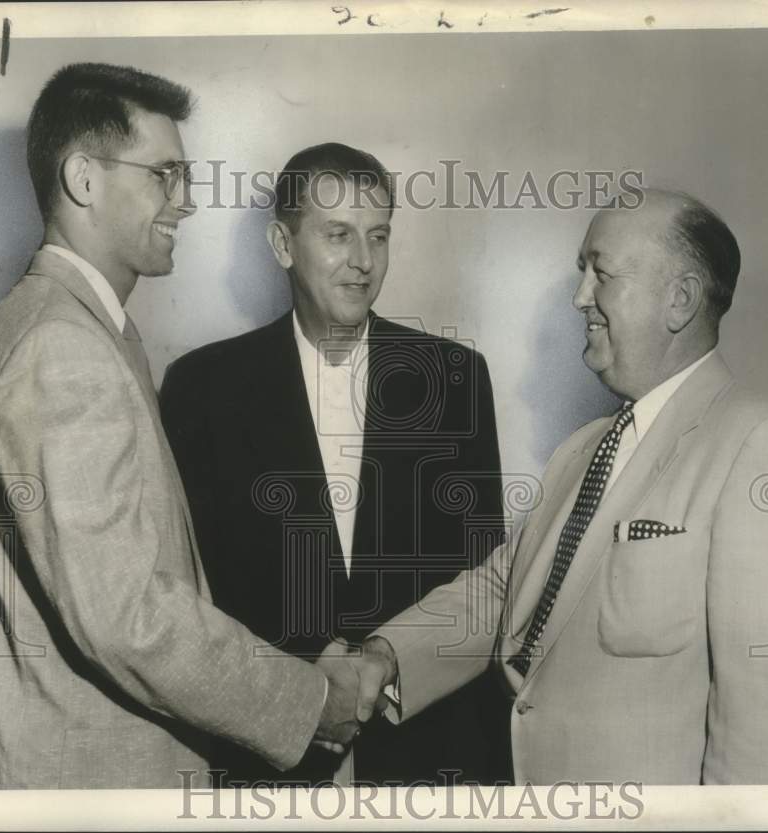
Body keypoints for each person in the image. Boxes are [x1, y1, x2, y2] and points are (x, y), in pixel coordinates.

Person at [0, 63, 374, 789]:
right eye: (163, 174)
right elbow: (128, 617)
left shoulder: (81, 330)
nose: (184, 201)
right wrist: (308, 701)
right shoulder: (63, 348)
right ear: (83, 179)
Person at [358, 189, 768, 784]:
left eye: (601, 274)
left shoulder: (765, 446)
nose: (579, 297)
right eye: (581, 272)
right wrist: (382, 659)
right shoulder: (584, 448)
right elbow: (502, 591)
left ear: (680, 300)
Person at [160, 143, 510, 785]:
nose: (364, 262)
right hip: (265, 751)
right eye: (338, 235)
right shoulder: (201, 387)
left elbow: (481, 577)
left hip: (425, 754)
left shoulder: (455, 378)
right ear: (282, 243)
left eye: (378, 236)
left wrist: (384, 669)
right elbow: (195, 587)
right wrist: (306, 678)